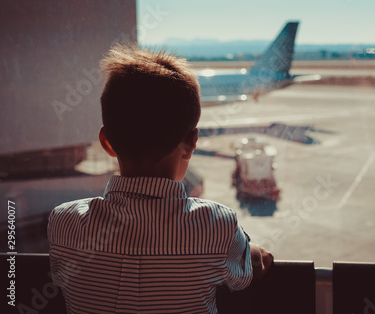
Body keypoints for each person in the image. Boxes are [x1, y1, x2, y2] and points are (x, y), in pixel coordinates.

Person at [48, 44, 273, 314]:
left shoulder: (63, 222)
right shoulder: (217, 225)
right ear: (191, 143)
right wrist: (253, 250)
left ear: (106, 143)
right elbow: (247, 273)